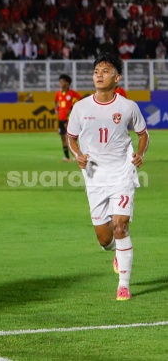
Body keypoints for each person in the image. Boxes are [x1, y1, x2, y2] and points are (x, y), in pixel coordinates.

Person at [67, 53, 149, 301]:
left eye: (105, 71)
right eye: (96, 71)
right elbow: (71, 138)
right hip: (94, 175)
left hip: (122, 173)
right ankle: (115, 250)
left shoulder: (127, 106)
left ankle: (123, 284)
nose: (99, 75)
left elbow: (143, 134)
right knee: (105, 238)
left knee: (120, 226)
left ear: (117, 77)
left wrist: (140, 154)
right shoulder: (80, 107)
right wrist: (78, 155)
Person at [54, 74, 81, 162]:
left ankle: (76, 155)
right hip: (61, 119)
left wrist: (72, 109)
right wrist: (56, 109)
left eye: (62, 81)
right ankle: (67, 157)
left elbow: (81, 101)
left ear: (67, 83)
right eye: (60, 81)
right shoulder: (58, 93)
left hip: (69, 119)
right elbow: (55, 102)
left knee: (71, 138)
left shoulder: (72, 93)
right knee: (63, 138)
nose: (61, 83)